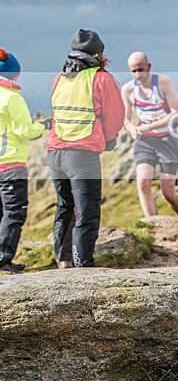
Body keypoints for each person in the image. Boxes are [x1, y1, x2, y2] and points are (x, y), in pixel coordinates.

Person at [47, 29, 125, 268]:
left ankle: (63, 260)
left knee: (64, 206)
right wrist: (107, 139)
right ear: (98, 54)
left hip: (54, 153)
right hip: (82, 155)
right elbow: (115, 117)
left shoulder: (60, 78)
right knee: (87, 211)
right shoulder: (101, 78)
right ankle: (84, 265)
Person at [121, 52, 178, 223]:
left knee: (168, 192)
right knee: (143, 184)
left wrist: (149, 126)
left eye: (141, 70)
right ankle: (153, 227)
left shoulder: (164, 83)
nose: (138, 75)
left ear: (149, 67)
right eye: (133, 71)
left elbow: (177, 114)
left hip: (167, 139)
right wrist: (131, 129)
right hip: (145, 141)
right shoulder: (128, 89)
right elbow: (126, 120)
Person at [0, 48, 47, 274]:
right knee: (14, 212)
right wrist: (43, 126)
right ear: (14, 74)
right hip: (11, 165)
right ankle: (3, 259)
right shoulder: (12, 98)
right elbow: (24, 130)